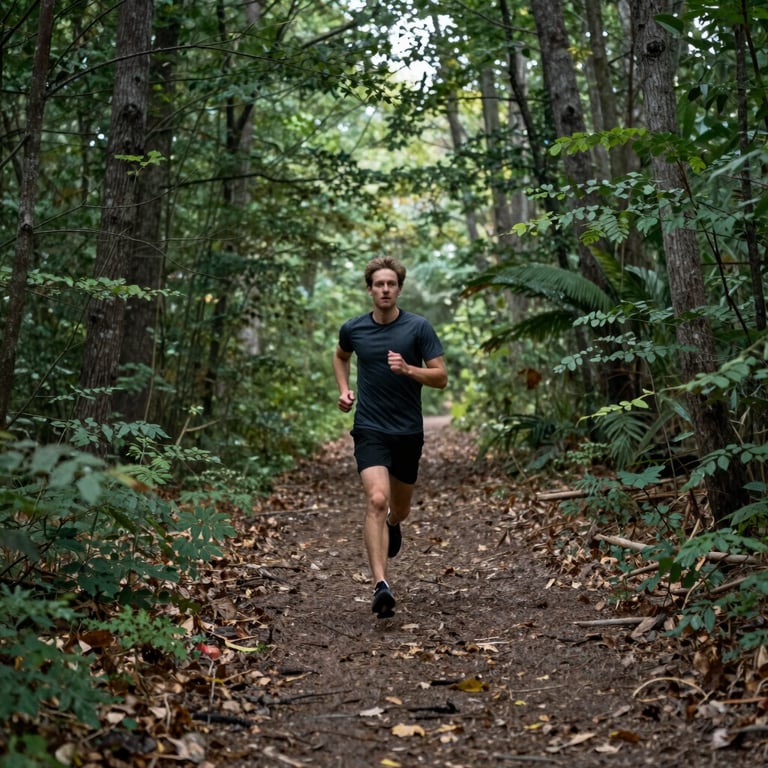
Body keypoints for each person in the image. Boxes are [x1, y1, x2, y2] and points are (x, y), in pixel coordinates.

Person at [333, 256, 448, 618]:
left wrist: (409, 369)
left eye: (391, 284)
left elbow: (441, 377)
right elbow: (340, 357)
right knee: (377, 500)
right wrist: (344, 389)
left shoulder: (418, 328)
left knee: (398, 509)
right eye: (379, 284)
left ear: (399, 288)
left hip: (408, 432)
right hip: (370, 428)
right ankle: (381, 585)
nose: (385, 289)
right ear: (369, 289)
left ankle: (395, 525)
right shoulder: (353, 329)